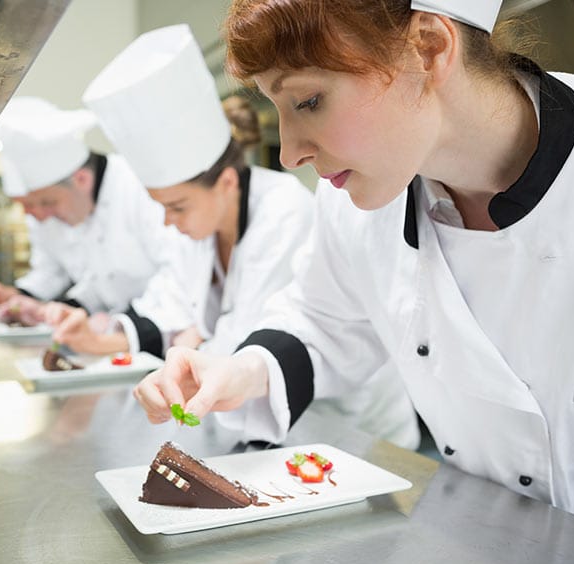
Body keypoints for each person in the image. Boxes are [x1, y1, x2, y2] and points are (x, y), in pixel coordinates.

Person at [133, 0, 574, 552]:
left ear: (429, 46)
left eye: (308, 101)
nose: (291, 152)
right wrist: (238, 372)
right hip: (479, 549)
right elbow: (324, 321)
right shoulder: (353, 198)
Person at [79, 24, 419, 449]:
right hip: (269, 417)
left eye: (309, 102)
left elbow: (252, 334)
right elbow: (174, 309)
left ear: (224, 183)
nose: (169, 221)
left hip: (352, 428)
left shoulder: (285, 209)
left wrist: (198, 343)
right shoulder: (198, 231)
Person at [0, 98, 181, 324]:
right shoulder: (58, 209)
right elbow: (76, 277)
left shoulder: (137, 186)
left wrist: (125, 328)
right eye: (27, 205)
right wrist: (19, 297)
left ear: (81, 179)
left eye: (47, 203)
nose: (39, 216)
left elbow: (177, 274)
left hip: (164, 327)